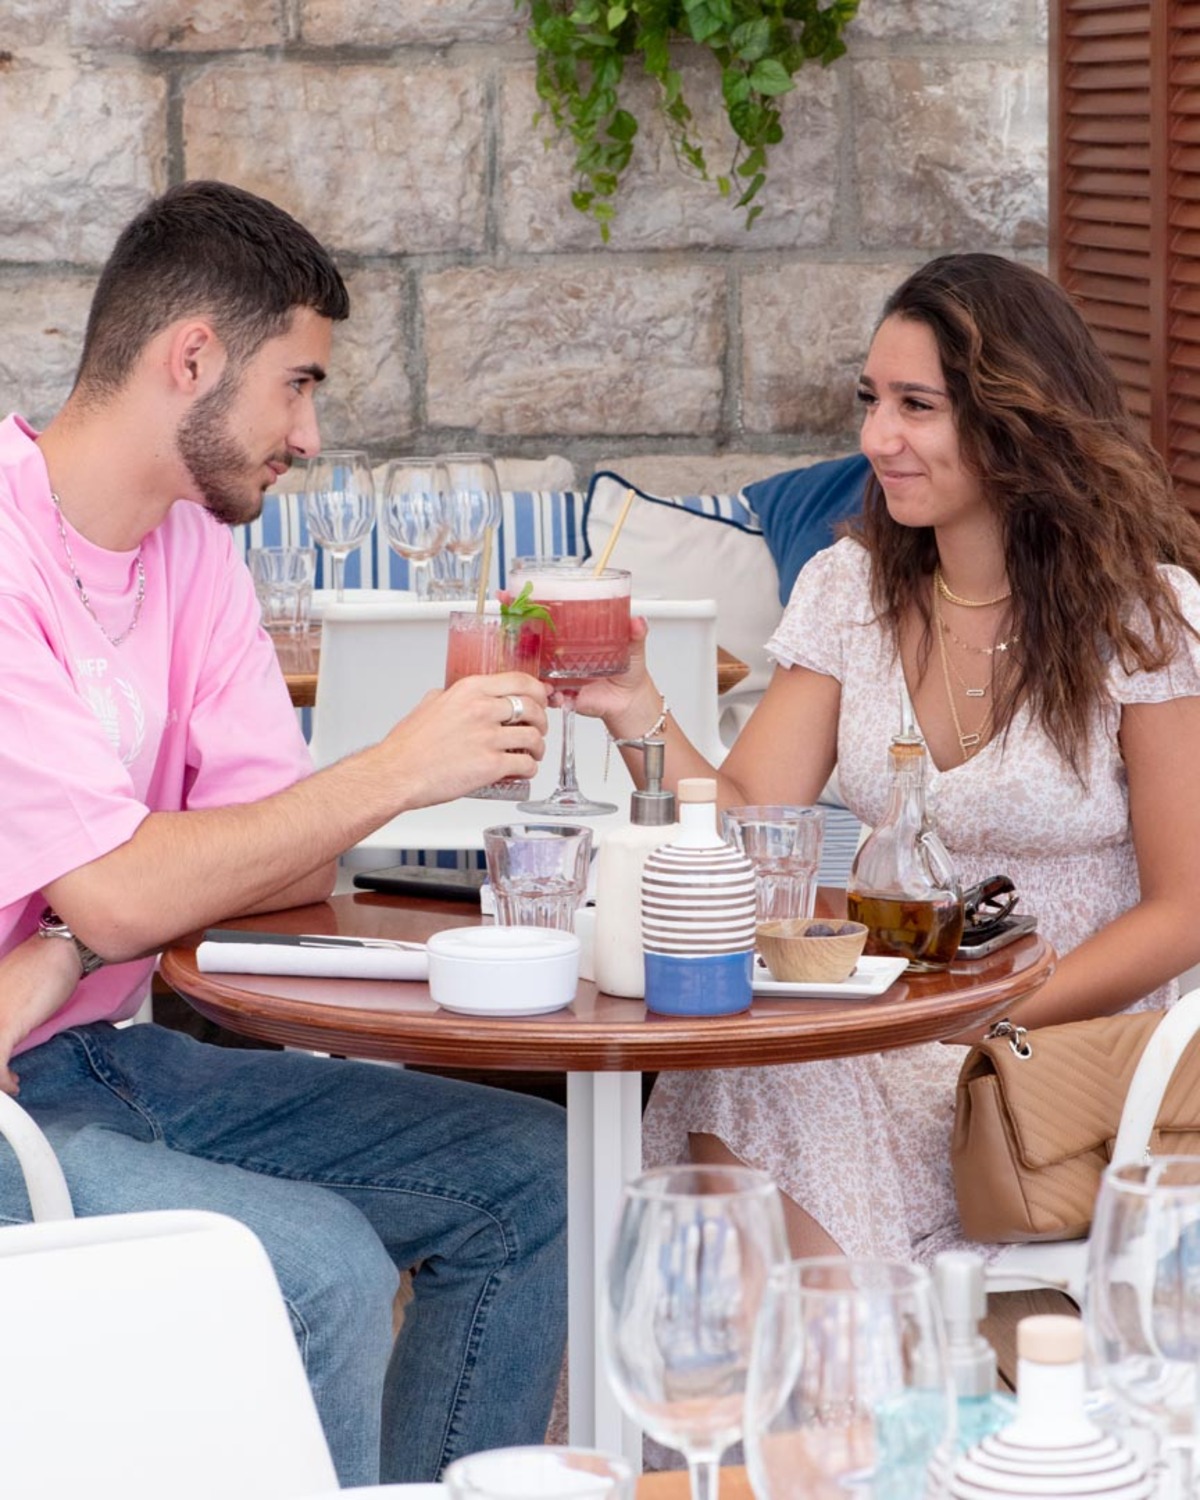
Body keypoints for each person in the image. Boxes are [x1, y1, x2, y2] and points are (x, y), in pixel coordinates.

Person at [0, 180, 565, 1486]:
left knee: (533, 1176)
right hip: (16, 1101)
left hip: (87, 1053)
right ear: (189, 357)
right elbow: (135, 889)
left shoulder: (189, 546)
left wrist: (90, 926)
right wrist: (397, 768)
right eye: (296, 384)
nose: (309, 434)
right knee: (315, 1267)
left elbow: (284, 854)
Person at [581, 252, 1200, 1263]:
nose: (878, 438)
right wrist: (631, 703)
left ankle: (800, 1396)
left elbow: (1187, 908)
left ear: (1017, 420)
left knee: (772, 1075)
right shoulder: (849, 589)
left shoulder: (1145, 616)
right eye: (872, 400)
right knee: (746, 1063)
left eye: (917, 406)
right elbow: (746, 811)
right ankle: (816, 1402)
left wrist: (991, 1013)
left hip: (1055, 1067)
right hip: (886, 1031)